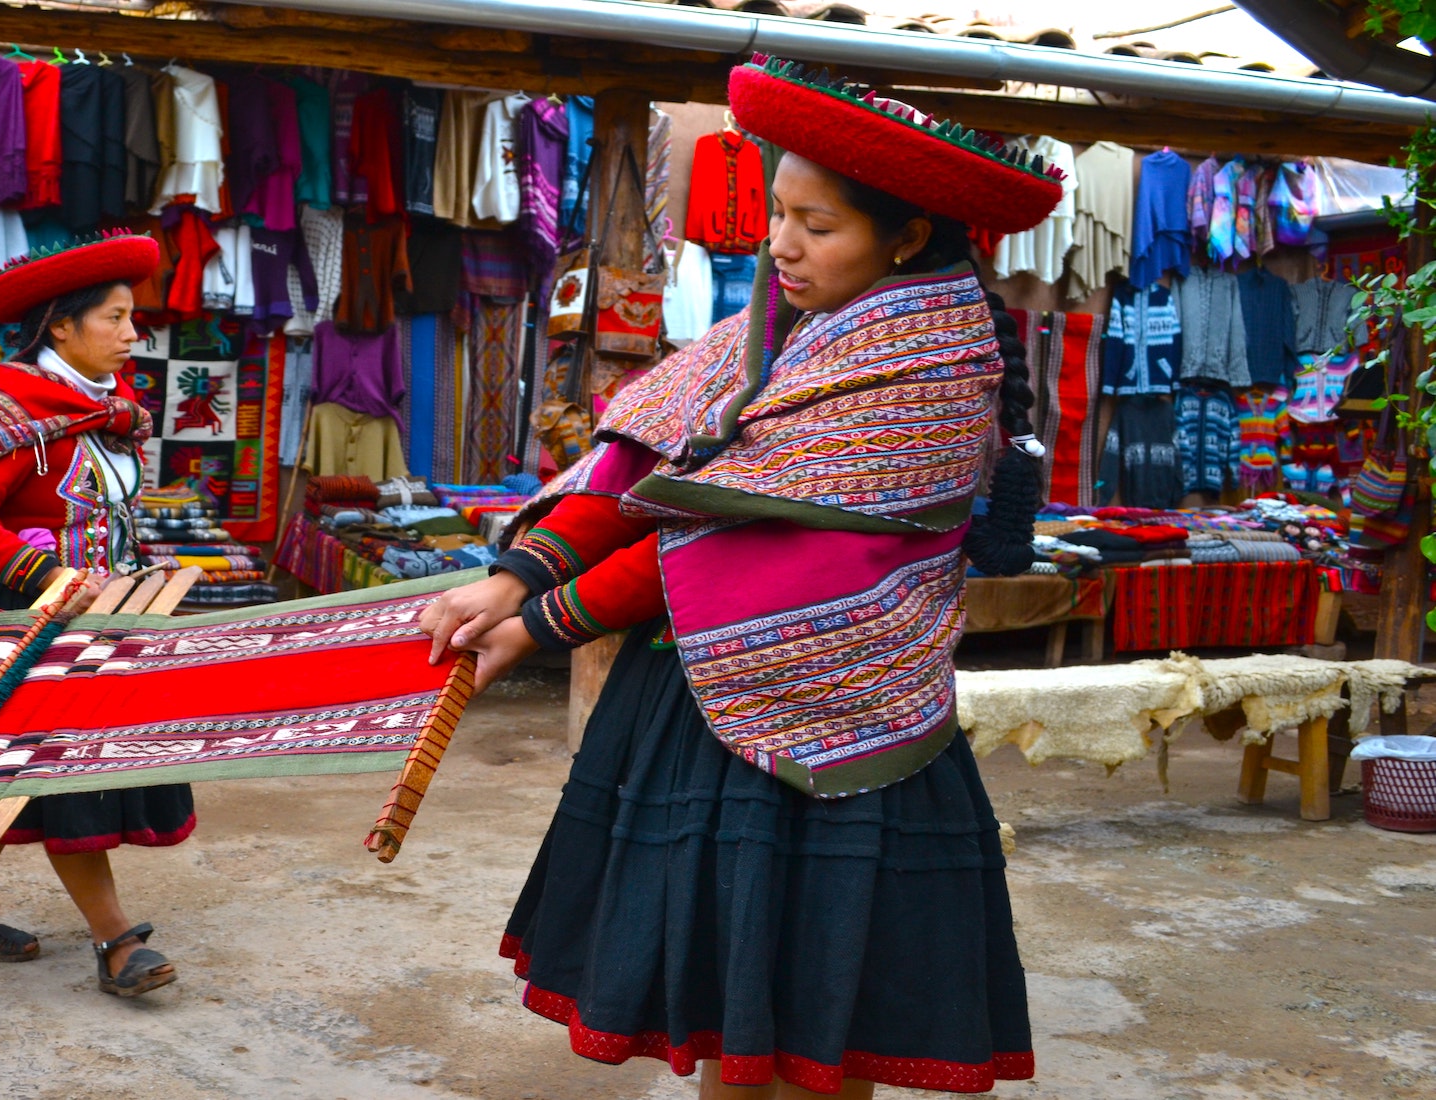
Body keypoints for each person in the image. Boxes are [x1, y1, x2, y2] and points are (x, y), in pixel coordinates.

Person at [420, 58, 1064, 1097]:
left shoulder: (936, 374)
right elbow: (641, 460)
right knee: (731, 1011)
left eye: (818, 224)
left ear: (903, 239)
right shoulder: (761, 331)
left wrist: (547, 621)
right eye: (776, 213)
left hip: (853, 719)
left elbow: (737, 546)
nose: (780, 244)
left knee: (827, 1019)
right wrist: (514, 578)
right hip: (697, 704)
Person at [0, 232, 188, 998]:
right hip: (14, 616)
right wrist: (46, 573)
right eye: (116, 318)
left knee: (4, 779)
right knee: (61, 780)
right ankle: (117, 942)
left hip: (88, 616)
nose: (133, 335)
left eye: (133, 319)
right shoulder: (13, 409)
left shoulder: (97, 411)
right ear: (60, 326)